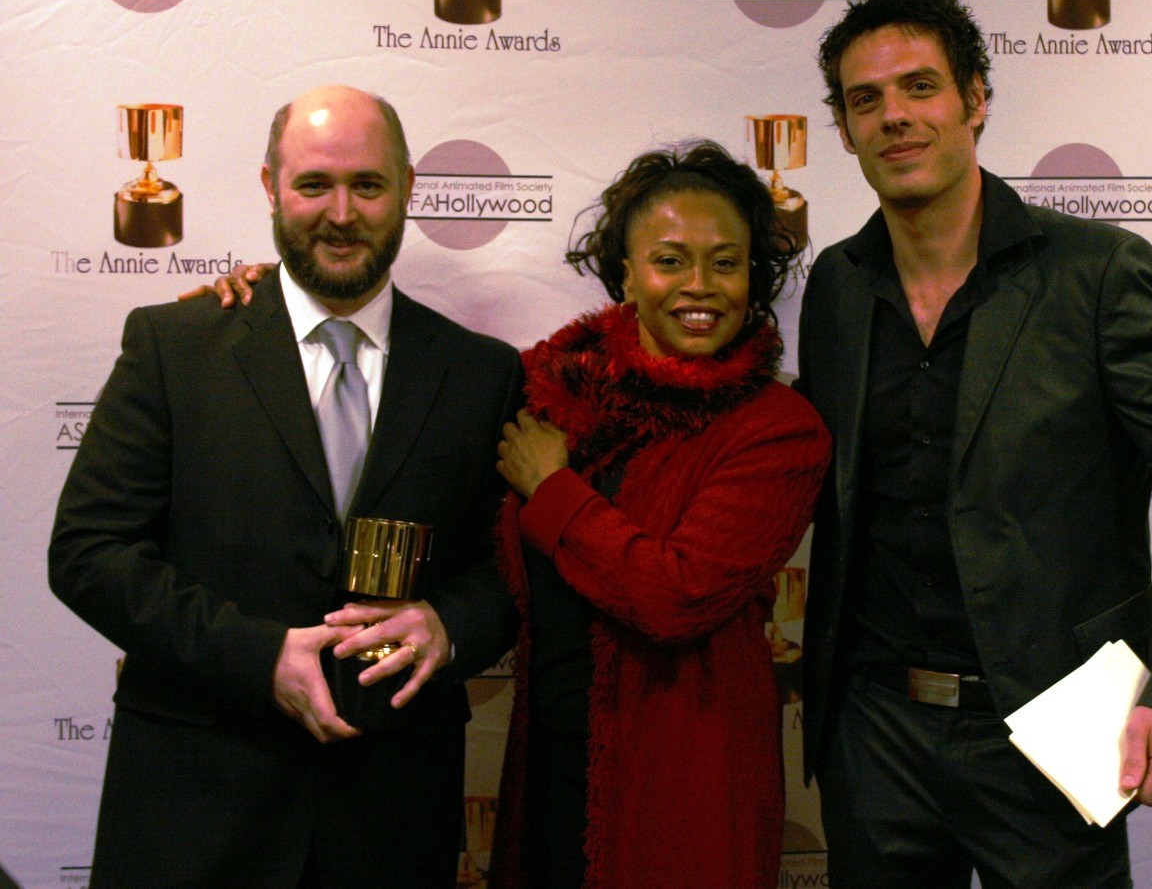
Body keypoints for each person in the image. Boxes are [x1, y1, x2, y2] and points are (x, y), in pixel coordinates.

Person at [796, 0, 1152, 888]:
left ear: (977, 99)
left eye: (920, 87)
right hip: (873, 735)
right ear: (846, 128)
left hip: (1058, 734)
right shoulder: (837, 286)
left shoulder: (1096, 274)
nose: (895, 116)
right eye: (867, 100)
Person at [49, 85, 523, 888]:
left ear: (407, 187)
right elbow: (87, 552)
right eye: (314, 185)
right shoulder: (176, 345)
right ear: (271, 186)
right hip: (192, 816)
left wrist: (450, 622)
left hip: (390, 821)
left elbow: (508, 574)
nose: (342, 213)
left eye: (367, 186)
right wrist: (257, 654)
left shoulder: (482, 373)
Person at [490, 142, 831, 888]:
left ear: (755, 276)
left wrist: (552, 491)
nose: (700, 286)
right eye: (670, 260)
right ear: (626, 274)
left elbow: (674, 596)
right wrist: (258, 306)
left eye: (726, 262)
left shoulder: (779, 428)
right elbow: (414, 374)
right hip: (549, 774)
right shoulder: (549, 391)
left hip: (689, 787)